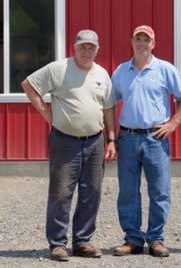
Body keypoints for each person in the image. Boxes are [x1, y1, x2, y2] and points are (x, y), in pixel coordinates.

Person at [21, 29, 117, 262]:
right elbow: (28, 84)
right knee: (61, 193)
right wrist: (47, 114)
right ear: (74, 47)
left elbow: (108, 108)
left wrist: (112, 139)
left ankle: (83, 242)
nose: (87, 51)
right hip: (65, 140)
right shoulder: (58, 69)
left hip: (94, 141)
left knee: (91, 192)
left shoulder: (102, 74)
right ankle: (57, 244)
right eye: (83, 46)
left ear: (97, 49)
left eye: (91, 47)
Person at [111, 25, 181, 258]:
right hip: (127, 137)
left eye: (146, 40)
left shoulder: (164, 69)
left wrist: (174, 123)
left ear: (153, 44)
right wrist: (110, 135)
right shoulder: (121, 71)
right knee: (128, 191)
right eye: (138, 39)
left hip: (154, 138)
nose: (142, 43)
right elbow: (109, 102)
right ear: (132, 42)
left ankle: (156, 238)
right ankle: (133, 239)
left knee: (160, 191)